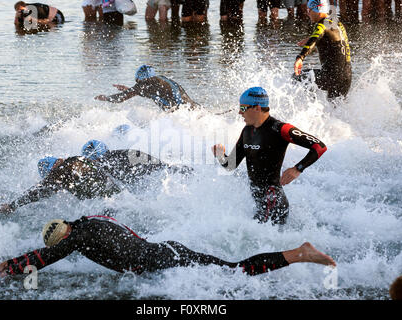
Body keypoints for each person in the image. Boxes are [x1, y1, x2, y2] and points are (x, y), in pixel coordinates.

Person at [0, 215, 336, 282]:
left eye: (63, 242)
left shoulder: (76, 239)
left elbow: (43, 258)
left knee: (235, 272)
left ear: (65, 236)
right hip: (167, 250)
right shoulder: (89, 222)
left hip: (164, 260)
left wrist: (8, 265)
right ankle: (298, 253)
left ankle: (299, 253)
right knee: (231, 268)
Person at [212, 87, 327, 225]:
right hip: (260, 202)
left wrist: (297, 168)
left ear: (257, 108)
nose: (240, 112)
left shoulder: (280, 129)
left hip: (274, 202)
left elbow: (319, 146)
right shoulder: (247, 131)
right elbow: (230, 165)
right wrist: (220, 156)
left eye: (243, 107)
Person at [0, 140, 191, 214]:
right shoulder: (88, 163)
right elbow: (154, 165)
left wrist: (13, 205)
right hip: (125, 200)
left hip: (113, 206)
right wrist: (175, 169)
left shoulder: (68, 167)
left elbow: (41, 190)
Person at [293, 0, 352, 100]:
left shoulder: (321, 25)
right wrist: (310, 38)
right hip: (347, 76)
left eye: (309, 10)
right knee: (336, 109)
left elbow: (315, 39)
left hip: (331, 76)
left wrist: (300, 57)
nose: (307, 13)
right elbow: (331, 36)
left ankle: (310, 107)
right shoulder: (337, 23)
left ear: (318, 10)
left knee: (297, 78)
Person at [95, 65, 199, 112]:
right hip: (193, 108)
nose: (138, 84)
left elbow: (121, 98)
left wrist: (105, 98)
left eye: (138, 82)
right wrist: (129, 90)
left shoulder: (145, 84)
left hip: (181, 114)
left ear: (141, 78)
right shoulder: (160, 79)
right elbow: (153, 92)